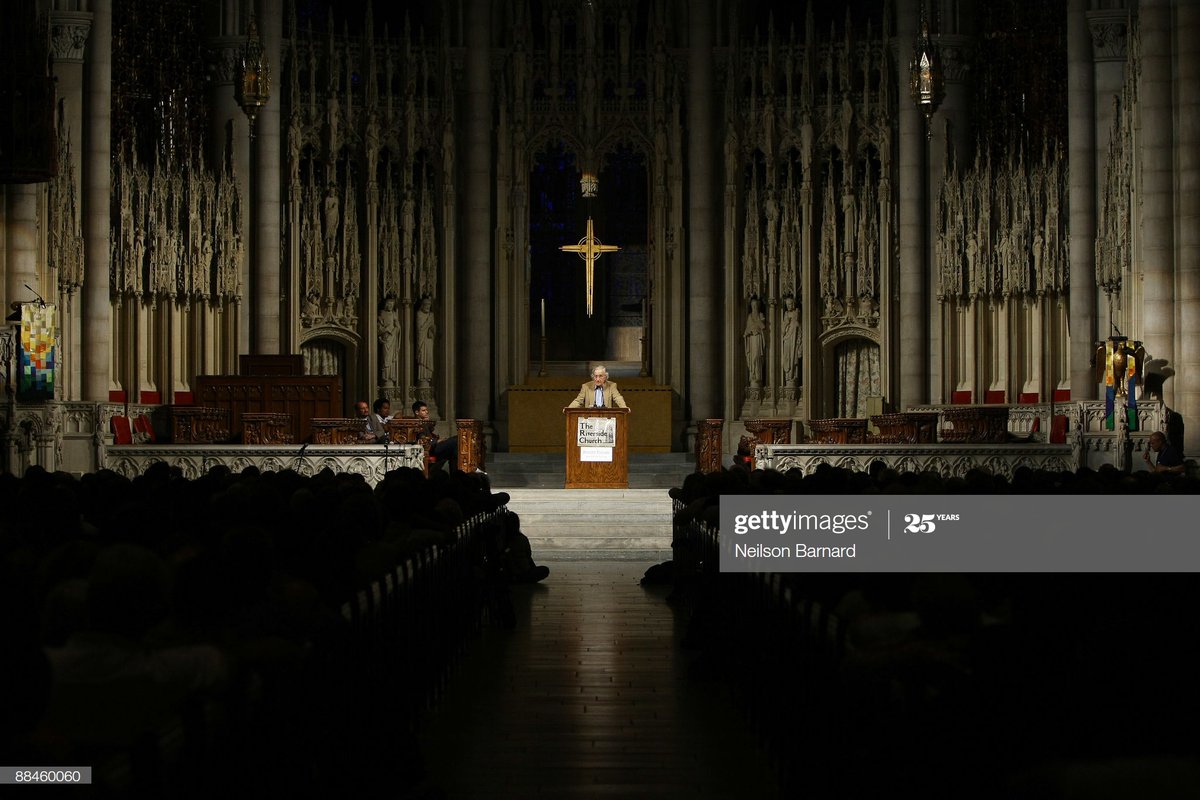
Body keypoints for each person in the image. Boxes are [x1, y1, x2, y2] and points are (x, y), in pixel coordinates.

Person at [413, 400, 458, 469]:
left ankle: (455, 473)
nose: (426, 412)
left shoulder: (424, 422)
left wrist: (427, 423)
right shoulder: (417, 424)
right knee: (455, 441)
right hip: (431, 448)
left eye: (426, 410)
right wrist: (437, 441)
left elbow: (430, 432)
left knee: (456, 444)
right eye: (423, 410)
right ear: (417, 412)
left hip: (435, 445)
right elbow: (423, 439)